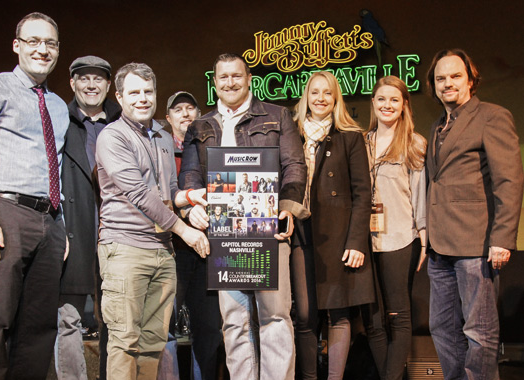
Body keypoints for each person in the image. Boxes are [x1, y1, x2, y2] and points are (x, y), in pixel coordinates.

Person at [180, 53, 307, 380]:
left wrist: (288, 206)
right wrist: (193, 206)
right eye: (223, 77)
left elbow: (294, 165)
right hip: (224, 233)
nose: (230, 83)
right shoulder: (200, 126)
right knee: (235, 322)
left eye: (236, 76)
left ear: (249, 78)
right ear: (215, 82)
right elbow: (191, 176)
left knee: (275, 318)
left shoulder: (277, 116)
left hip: (266, 228)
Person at [0, 12, 68, 380]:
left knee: (39, 328)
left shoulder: (57, 106)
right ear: (17, 46)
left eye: (50, 43)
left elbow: (55, 166)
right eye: (33, 41)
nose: (42, 49)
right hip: (5, 213)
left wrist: (61, 226)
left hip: (49, 221)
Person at [95, 62, 210, 380]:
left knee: (152, 345)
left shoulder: (161, 136)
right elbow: (140, 195)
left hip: (162, 251)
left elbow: (169, 191)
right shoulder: (112, 137)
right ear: (119, 96)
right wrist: (184, 230)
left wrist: (190, 198)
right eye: (134, 92)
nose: (142, 98)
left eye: (148, 91)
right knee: (124, 343)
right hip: (125, 250)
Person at [425, 49, 524, 380]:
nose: (447, 83)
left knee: (479, 333)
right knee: (443, 329)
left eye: (455, 76)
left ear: (470, 79)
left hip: (476, 245)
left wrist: (502, 239)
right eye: (441, 78)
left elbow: (508, 181)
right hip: (440, 248)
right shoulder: (438, 126)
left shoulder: (492, 116)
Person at [291, 71, 374, 380]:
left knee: (338, 312)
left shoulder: (350, 136)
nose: (321, 98)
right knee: (304, 314)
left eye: (328, 93)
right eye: (315, 92)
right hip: (300, 233)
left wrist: (356, 242)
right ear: (306, 97)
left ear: (336, 98)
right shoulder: (292, 134)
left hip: (338, 236)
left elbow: (362, 194)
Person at [57, 55, 121, 380]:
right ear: (72, 83)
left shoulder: (124, 123)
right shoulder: (58, 121)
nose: (92, 85)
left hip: (116, 234)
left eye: (99, 79)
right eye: (84, 78)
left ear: (109, 85)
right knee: (67, 318)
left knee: (114, 318)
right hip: (73, 232)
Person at [363, 76, 427, 380]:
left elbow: (420, 194)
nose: (387, 105)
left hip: (401, 238)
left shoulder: (414, 142)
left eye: (394, 100)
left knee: (398, 317)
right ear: (373, 103)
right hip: (365, 242)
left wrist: (424, 239)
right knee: (373, 321)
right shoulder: (362, 141)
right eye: (382, 99)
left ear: (404, 106)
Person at [160, 91, 222, 380]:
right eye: (178, 109)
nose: (185, 114)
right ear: (168, 117)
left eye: (190, 108)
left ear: (199, 115)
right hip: (171, 249)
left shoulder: (211, 147)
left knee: (209, 326)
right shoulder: (159, 149)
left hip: (207, 249)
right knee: (165, 325)